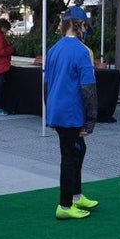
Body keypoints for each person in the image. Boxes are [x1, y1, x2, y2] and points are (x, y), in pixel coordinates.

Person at [43, 12, 98, 220]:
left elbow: (46, 85)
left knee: (77, 150)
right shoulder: (81, 52)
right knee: (70, 156)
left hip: (59, 110)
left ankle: (75, 195)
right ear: (81, 25)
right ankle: (65, 206)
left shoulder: (54, 50)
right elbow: (88, 87)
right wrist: (91, 119)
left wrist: (50, 109)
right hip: (71, 112)